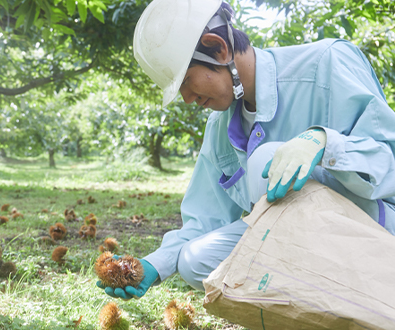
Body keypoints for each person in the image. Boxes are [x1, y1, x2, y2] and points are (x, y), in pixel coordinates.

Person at [97, 0, 395, 299]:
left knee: (264, 158)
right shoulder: (219, 128)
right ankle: (321, 307)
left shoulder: (328, 63)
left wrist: (324, 142)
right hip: (294, 245)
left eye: (187, 81)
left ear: (219, 48)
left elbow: (388, 160)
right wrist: (154, 265)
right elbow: (205, 218)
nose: (187, 98)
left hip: (371, 229)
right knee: (194, 260)